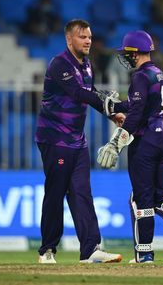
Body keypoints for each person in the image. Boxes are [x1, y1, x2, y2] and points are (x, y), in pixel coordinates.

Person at [97, 30, 163, 264]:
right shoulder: (157, 73)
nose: (126, 56)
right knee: (162, 196)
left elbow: (135, 115)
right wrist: (115, 105)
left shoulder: (139, 76)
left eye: (128, 53)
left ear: (135, 53)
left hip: (145, 141)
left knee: (140, 199)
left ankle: (144, 254)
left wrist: (117, 142)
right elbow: (141, 104)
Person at [35, 19, 123, 264]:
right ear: (69, 39)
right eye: (82, 37)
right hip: (55, 139)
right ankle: (47, 250)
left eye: (90, 37)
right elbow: (79, 93)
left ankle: (91, 250)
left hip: (77, 140)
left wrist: (112, 113)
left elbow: (90, 92)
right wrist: (113, 105)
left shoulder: (86, 65)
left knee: (82, 193)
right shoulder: (59, 64)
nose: (88, 41)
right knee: (55, 193)